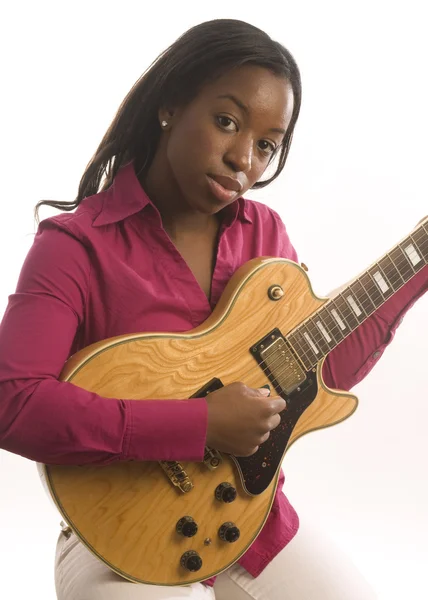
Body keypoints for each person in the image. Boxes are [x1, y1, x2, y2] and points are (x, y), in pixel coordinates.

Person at [0, 18, 426, 600]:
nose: (243, 160)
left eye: (267, 145)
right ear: (171, 104)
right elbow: (14, 402)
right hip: (118, 532)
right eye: (226, 122)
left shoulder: (266, 236)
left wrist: (417, 268)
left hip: (251, 521)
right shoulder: (74, 245)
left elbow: (318, 372)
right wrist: (199, 426)